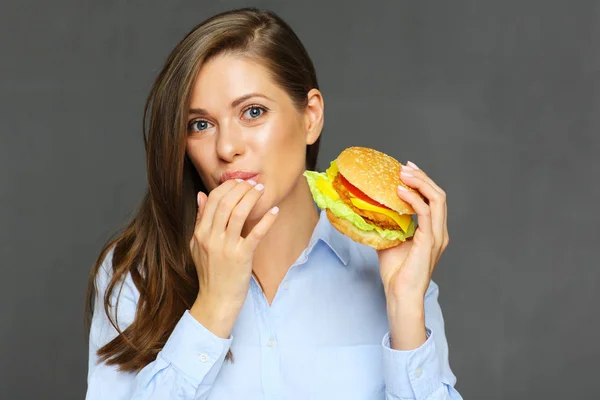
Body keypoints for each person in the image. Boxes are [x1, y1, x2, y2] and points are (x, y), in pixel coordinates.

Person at [85, 7, 462, 400]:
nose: (227, 148)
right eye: (200, 124)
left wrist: (405, 309)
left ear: (310, 117)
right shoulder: (137, 274)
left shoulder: (391, 274)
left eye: (253, 112)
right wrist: (212, 309)